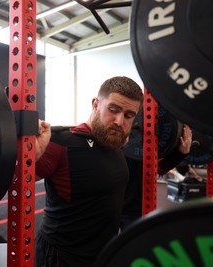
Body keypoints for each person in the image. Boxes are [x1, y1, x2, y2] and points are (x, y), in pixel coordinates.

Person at [34, 76, 144, 266]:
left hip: (102, 254)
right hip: (62, 257)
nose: (119, 121)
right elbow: (11, 183)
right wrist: (28, 157)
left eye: (128, 115)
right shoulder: (61, 144)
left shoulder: (115, 142)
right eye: (113, 110)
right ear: (95, 104)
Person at [121, 124, 193, 230]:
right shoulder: (117, 130)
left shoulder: (151, 134)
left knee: (136, 243)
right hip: (109, 204)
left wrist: (180, 153)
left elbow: (159, 168)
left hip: (135, 207)